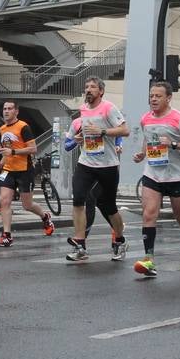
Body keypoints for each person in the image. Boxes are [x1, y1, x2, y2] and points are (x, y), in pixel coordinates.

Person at [130, 81, 180, 278]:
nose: (153, 99)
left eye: (158, 96)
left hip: (177, 174)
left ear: (168, 98)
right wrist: (142, 154)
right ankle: (149, 259)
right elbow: (148, 138)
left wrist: (173, 144)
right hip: (153, 173)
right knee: (149, 214)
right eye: (151, 96)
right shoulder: (146, 118)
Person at [65, 76, 130, 262]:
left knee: (108, 206)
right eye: (86, 87)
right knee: (78, 198)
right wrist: (78, 140)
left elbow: (125, 130)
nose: (88, 90)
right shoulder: (83, 109)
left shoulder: (109, 108)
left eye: (93, 87)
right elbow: (76, 138)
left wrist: (102, 132)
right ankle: (80, 245)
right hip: (86, 162)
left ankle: (120, 240)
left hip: (107, 165)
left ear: (101, 91)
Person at [0, 100, 57, 247]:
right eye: (4, 109)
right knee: (4, 201)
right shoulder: (2, 128)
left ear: (16, 111)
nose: (6, 111)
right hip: (8, 170)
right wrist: (0, 164)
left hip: (24, 170)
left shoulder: (23, 127)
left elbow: (33, 149)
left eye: (9, 109)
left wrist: (13, 151)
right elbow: (6, 151)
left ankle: (45, 216)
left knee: (27, 205)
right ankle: (6, 235)